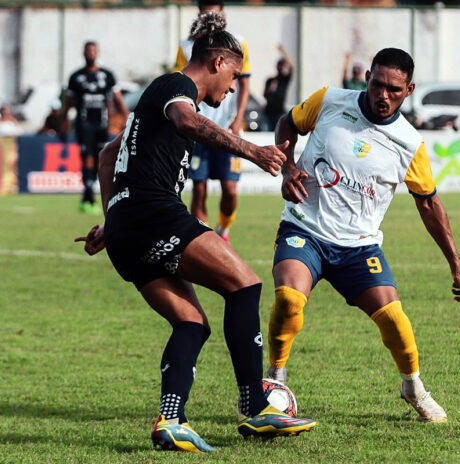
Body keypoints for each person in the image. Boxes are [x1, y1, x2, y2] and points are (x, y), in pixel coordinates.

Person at [74, 12, 316, 453]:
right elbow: (186, 122)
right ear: (218, 60)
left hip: (128, 230)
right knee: (246, 286)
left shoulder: (161, 103)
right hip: (154, 213)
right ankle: (256, 405)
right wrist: (251, 150)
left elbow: (111, 155)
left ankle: (172, 420)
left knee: (191, 323)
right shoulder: (176, 87)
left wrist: (113, 220)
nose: (234, 86)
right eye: (234, 75)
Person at [265, 48, 460, 423]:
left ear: (409, 90)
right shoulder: (329, 100)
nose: (383, 95)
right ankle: (275, 377)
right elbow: (288, 123)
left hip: (358, 246)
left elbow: (429, 204)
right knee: (288, 298)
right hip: (305, 229)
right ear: (367, 76)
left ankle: (413, 387)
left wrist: (457, 267)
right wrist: (287, 168)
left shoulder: (409, 144)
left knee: (394, 318)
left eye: (394, 90)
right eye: (377, 84)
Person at [173, 0, 252, 243]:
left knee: (229, 189)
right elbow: (179, 81)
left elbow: (245, 84)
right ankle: (203, 236)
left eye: (214, 9)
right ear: (199, 13)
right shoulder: (186, 46)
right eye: (206, 9)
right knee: (199, 187)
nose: (210, 13)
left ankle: (224, 230)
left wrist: (238, 119)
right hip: (197, 126)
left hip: (227, 126)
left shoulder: (237, 43)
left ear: (222, 12)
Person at [61, 41, 129, 215]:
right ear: (83, 53)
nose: (91, 53)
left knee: (101, 158)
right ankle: (88, 195)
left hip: (101, 124)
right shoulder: (76, 76)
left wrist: (129, 119)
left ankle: (100, 197)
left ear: (97, 53)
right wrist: (63, 121)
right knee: (87, 159)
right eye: (88, 50)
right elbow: (68, 103)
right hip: (84, 124)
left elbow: (118, 100)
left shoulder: (107, 75)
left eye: (93, 50)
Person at [263, 44, 294, 132]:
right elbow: (264, 95)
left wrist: (283, 52)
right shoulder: (270, 80)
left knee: (278, 134)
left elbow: (292, 66)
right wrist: (270, 89)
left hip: (279, 113)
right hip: (268, 113)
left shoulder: (284, 80)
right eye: (279, 65)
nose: (280, 67)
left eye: (282, 65)